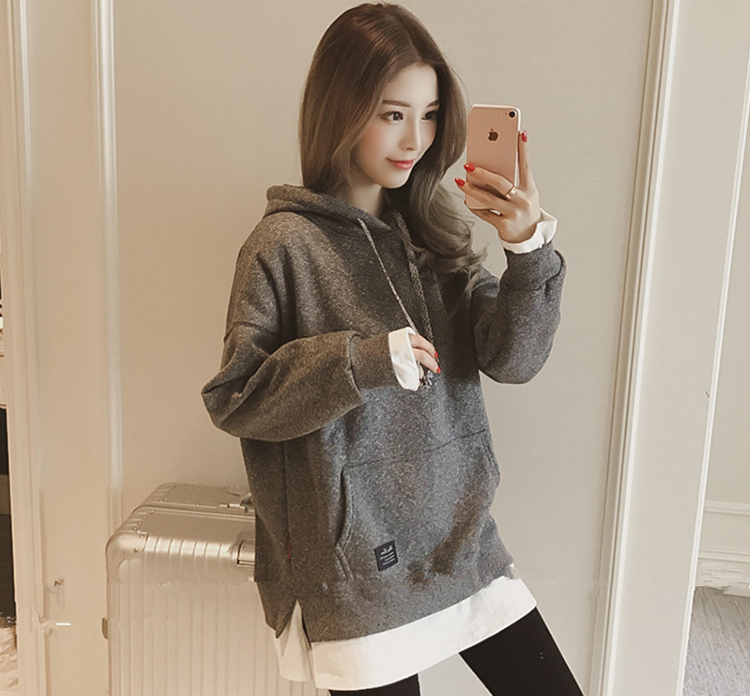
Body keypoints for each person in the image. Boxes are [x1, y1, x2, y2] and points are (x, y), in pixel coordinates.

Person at [201, 3, 582, 695]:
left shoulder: (432, 237)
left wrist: (527, 249)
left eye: (430, 115)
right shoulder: (283, 246)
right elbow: (237, 399)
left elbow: (513, 360)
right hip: (356, 572)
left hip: (459, 544)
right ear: (340, 111)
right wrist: (362, 360)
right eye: (393, 113)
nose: (415, 138)